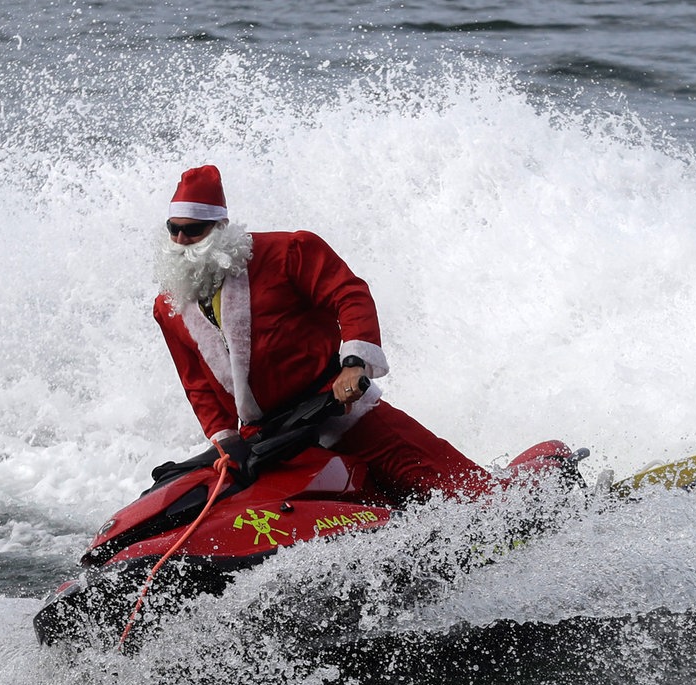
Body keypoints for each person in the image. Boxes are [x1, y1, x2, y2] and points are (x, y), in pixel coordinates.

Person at [152, 164, 497, 503]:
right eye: (174, 229)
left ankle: (503, 502)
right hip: (268, 439)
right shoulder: (169, 307)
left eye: (194, 230)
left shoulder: (288, 252)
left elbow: (349, 295)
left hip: (339, 409)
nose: (182, 240)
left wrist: (354, 363)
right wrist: (225, 440)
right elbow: (196, 383)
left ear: (220, 227)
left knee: (458, 489)